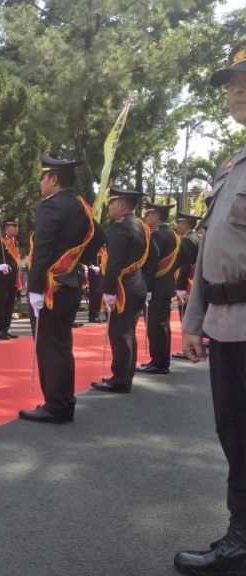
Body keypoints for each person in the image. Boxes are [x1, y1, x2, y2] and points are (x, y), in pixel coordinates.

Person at [174, 40, 246, 575]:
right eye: (232, 79)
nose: (237, 88)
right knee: (234, 432)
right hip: (226, 324)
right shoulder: (233, 166)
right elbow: (208, 255)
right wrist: (194, 322)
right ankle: (241, 535)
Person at [19, 155, 98, 424]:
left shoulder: (50, 207)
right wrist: (77, 262)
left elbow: (41, 251)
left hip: (51, 288)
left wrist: (35, 288)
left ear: (53, 179)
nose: (41, 182)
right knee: (62, 346)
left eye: (43, 177)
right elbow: (99, 236)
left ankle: (55, 406)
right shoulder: (80, 206)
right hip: (71, 283)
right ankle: (65, 401)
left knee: (49, 347)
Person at [90, 188, 150, 393]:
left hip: (123, 287)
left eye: (112, 203)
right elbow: (154, 255)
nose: (110, 207)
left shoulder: (120, 228)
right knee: (128, 334)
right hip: (137, 285)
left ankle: (119, 380)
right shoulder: (142, 226)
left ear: (123, 205)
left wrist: (107, 290)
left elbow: (114, 262)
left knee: (119, 334)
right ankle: (125, 377)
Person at [136, 201, 180, 375]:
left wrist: (146, 286)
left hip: (155, 287)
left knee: (155, 326)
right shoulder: (172, 234)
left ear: (155, 216)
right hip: (166, 285)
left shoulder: (156, 236)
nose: (145, 218)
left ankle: (158, 362)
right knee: (162, 325)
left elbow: (151, 262)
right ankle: (162, 361)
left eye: (147, 215)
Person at [171, 211, 201, 360]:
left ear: (186, 224)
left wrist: (181, 287)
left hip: (188, 283)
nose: (178, 226)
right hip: (196, 283)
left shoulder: (188, 240)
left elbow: (185, 265)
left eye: (180, 223)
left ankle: (189, 349)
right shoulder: (197, 238)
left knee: (186, 317)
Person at [87, 245, 107, 323]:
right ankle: (93, 316)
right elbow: (88, 261)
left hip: (101, 274)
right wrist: (92, 266)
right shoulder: (92, 249)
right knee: (94, 295)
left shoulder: (103, 250)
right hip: (94, 274)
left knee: (99, 295)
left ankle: (96, 315)